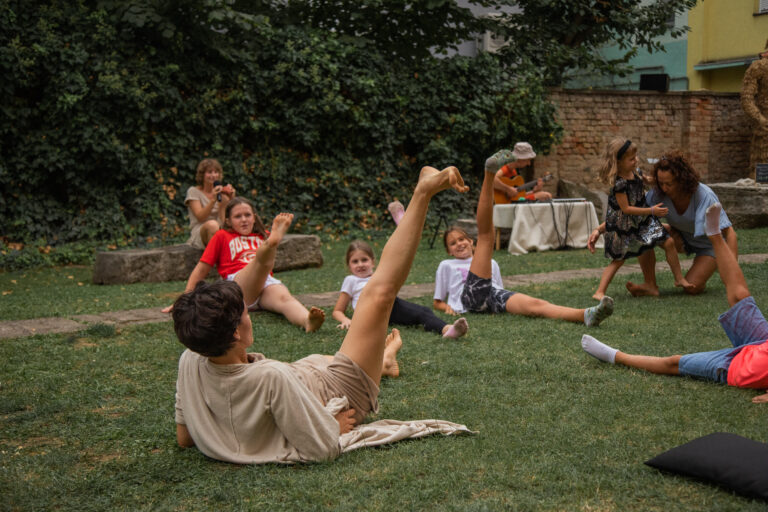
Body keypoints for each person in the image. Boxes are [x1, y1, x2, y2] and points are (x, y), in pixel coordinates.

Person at [173, 165, 470, 463]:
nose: (248, 313)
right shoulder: (270, 377)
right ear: (236, 332)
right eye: (244, 313)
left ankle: (384, 361)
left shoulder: (192, 358)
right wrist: (331, 425)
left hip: (302, 373)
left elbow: (186, 437)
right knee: (378, 294)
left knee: (328, 357)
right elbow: (322, 447)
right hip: (337, 389)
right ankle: (422, 193)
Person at [582, 203, 768, 404]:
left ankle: (616, 356)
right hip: (764, 342)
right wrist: (601, 228)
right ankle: (715, 235)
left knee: (674, 362)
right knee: (739, 296)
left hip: (743, 367)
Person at [433, 150, 614, 327]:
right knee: (486, 235)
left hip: (493, 295)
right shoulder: (447, 265)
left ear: (470, 242)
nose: (459, 244)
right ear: (448, 251)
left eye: (462, 239)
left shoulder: (491, 263)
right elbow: (437, 301)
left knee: (536, 304)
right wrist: (447, 307)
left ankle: (585, 315)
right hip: (470, 297)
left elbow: (497, 286)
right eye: (453, 243)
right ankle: (489, 174)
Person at [163, 197, 325, 333]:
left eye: (247, 215)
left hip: (265, 285)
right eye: (238, 216)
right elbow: (201, 269)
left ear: (254, 217)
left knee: (285, 299)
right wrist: (185, 299)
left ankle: (307, 321)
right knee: (259, 260)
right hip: (238, 285)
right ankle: (271, 244)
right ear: (228, 221)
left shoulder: (261, 235)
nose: (244, 220)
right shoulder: (222, 236)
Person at [588, 149, 737, 296]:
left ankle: (706, 268)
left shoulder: (704, 196)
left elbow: (729, 233)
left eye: (669, 184)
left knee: (692, 288)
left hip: (709, 246)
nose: (664, 188)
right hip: (682, 237)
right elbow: (629, 216)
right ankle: (650, 285)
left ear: (682, 180)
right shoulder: (659, 193)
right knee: (642, 230)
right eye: (660, 183)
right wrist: (599, 230)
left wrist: (734, 275)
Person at [592, 138, 692, 300]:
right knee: (618, 259)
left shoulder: (636, 172)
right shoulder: (620, 184)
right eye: (631, 159)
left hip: (643, 221)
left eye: (636, 157)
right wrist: (651, 211)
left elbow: (648, 181)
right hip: (627, 225)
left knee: (668, 242)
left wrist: (662, 181)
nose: (636, 160)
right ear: (619, 162)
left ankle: (678, 278)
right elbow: (626, 209)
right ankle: (599, 291)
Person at [333, 240, 469, 339]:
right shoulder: (351, 280)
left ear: (373, 262)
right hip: (370, 312)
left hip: (387, 309)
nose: (360, 264)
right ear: (349, 265)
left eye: (364, 260)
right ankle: (447, 329)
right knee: (422, 312)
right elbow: (338, 310)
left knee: (423, 312)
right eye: (355, 261)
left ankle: (447, 330)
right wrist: (345, 320)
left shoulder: (378, 276)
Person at [185, 158, 236, 249]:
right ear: (202, 175)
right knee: (213, 225)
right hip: (201, 230)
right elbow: (200, 217)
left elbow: (224, 221)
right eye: (209, 172)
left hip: (220, 227)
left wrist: (230, 199)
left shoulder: (221, 192)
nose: (213, 175)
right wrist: (213, 200)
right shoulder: (193, 191)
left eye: (216, 172)